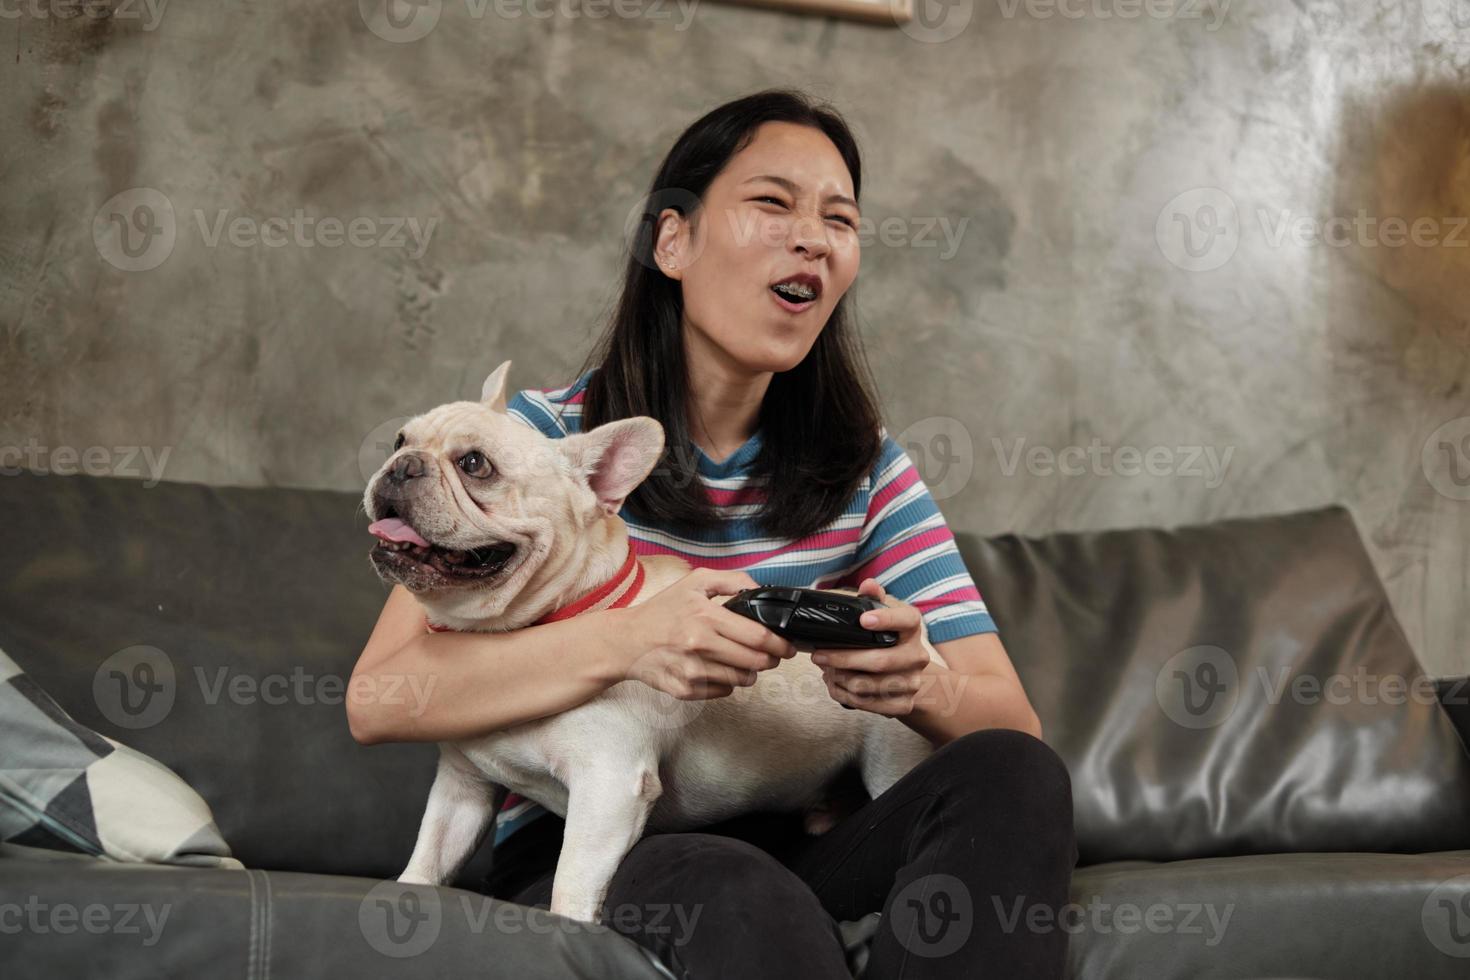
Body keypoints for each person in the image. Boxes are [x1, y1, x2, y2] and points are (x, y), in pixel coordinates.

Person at [348, 88, 1077, 980]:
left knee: (1014, 774)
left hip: (811, 834)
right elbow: (381, 698)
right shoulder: (526, 448)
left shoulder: (865, 469)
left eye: (838, 218)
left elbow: (1015, 729)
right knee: (734, 883)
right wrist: (632, 637)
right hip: (605, 839)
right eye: (772, 203)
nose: (811, 235)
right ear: (673, 241)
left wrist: (918, 681)